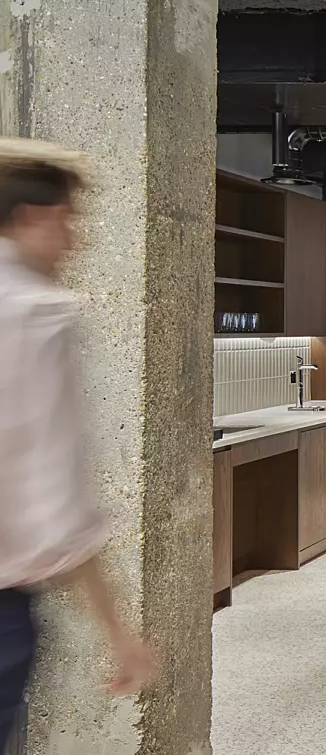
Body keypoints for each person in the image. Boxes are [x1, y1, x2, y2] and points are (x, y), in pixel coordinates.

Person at [0, 139, 155, 748]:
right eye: (69, 220)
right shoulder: (38, 315)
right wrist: (119, 633)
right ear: (30, 217)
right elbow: (58, 499)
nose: (75, 240)